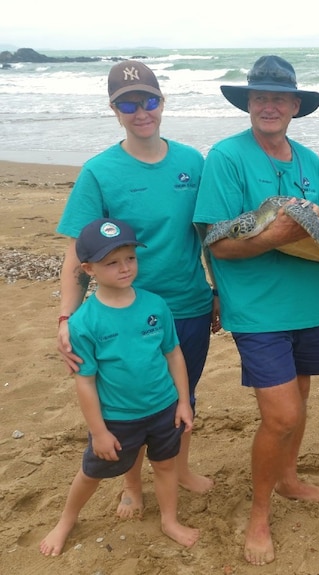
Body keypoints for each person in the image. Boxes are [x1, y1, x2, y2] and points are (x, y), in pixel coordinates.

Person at [193, 55, 319, 565]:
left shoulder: (309, 161)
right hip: (256, 310)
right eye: (260, 97)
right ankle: (258, 514)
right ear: (248, 103)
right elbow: (218, 242)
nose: (269, 105)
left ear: (296, 105)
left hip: (308, 304)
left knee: (300, 404)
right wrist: (278, 234)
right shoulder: (226, 158)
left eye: (279, 97)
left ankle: (289, 478)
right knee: (281, 417)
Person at [56, 60, 216, 518]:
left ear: (162, 102)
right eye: (128, 103)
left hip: (187, 305)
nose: (140, 110)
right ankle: (131, 482)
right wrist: (66, 318)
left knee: (182, 393)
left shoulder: (192, 162)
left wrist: (218, 291)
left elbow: (206, 237)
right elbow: (76, 256)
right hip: (121, 311)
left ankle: (178, 468)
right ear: (114, 109)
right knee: (126, 400)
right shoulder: (99, 172)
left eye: (148, 100)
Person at [40, 218, 199, 556]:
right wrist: (98, 431)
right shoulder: (85, 321)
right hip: (118, 418)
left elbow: (173, 354)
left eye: (130, 258)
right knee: (92, 472)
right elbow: (85, 382)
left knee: (167, 465)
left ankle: (169, 520)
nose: (124, 268)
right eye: (111, 262)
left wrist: (183, 402)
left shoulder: (155, 305)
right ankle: (67, 519)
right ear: (89, 268)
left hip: (163, 408)